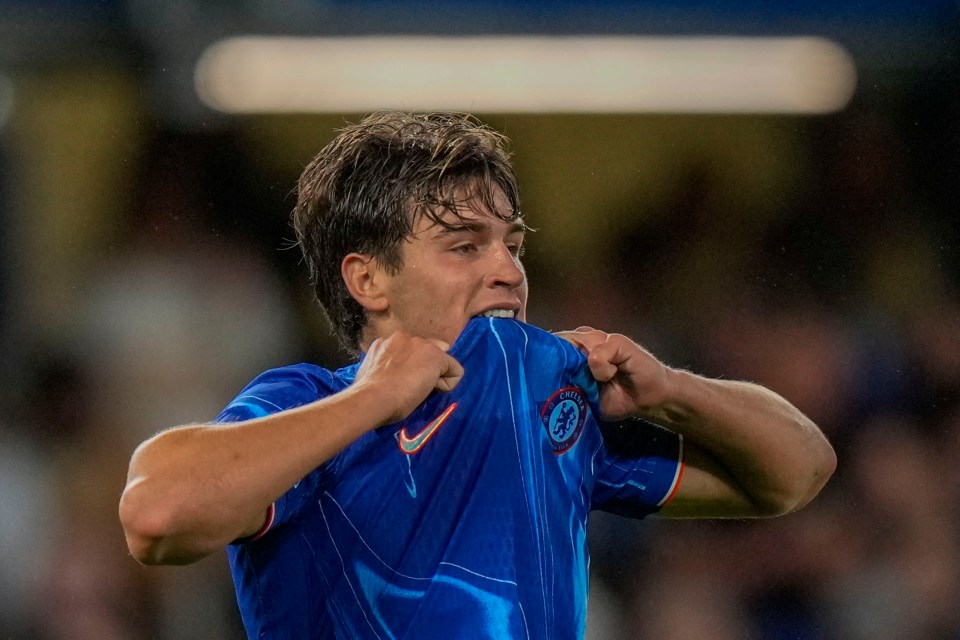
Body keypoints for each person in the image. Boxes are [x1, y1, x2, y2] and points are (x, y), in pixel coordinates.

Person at [119, 111, 837, 639]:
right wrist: (374, 399)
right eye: (465, 245)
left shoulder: (553, 409)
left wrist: (675, 392)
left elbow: (798, 470)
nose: (508, 269)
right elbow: (155, 515)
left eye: (512, 244)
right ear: (368, 279)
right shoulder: (311, 405)